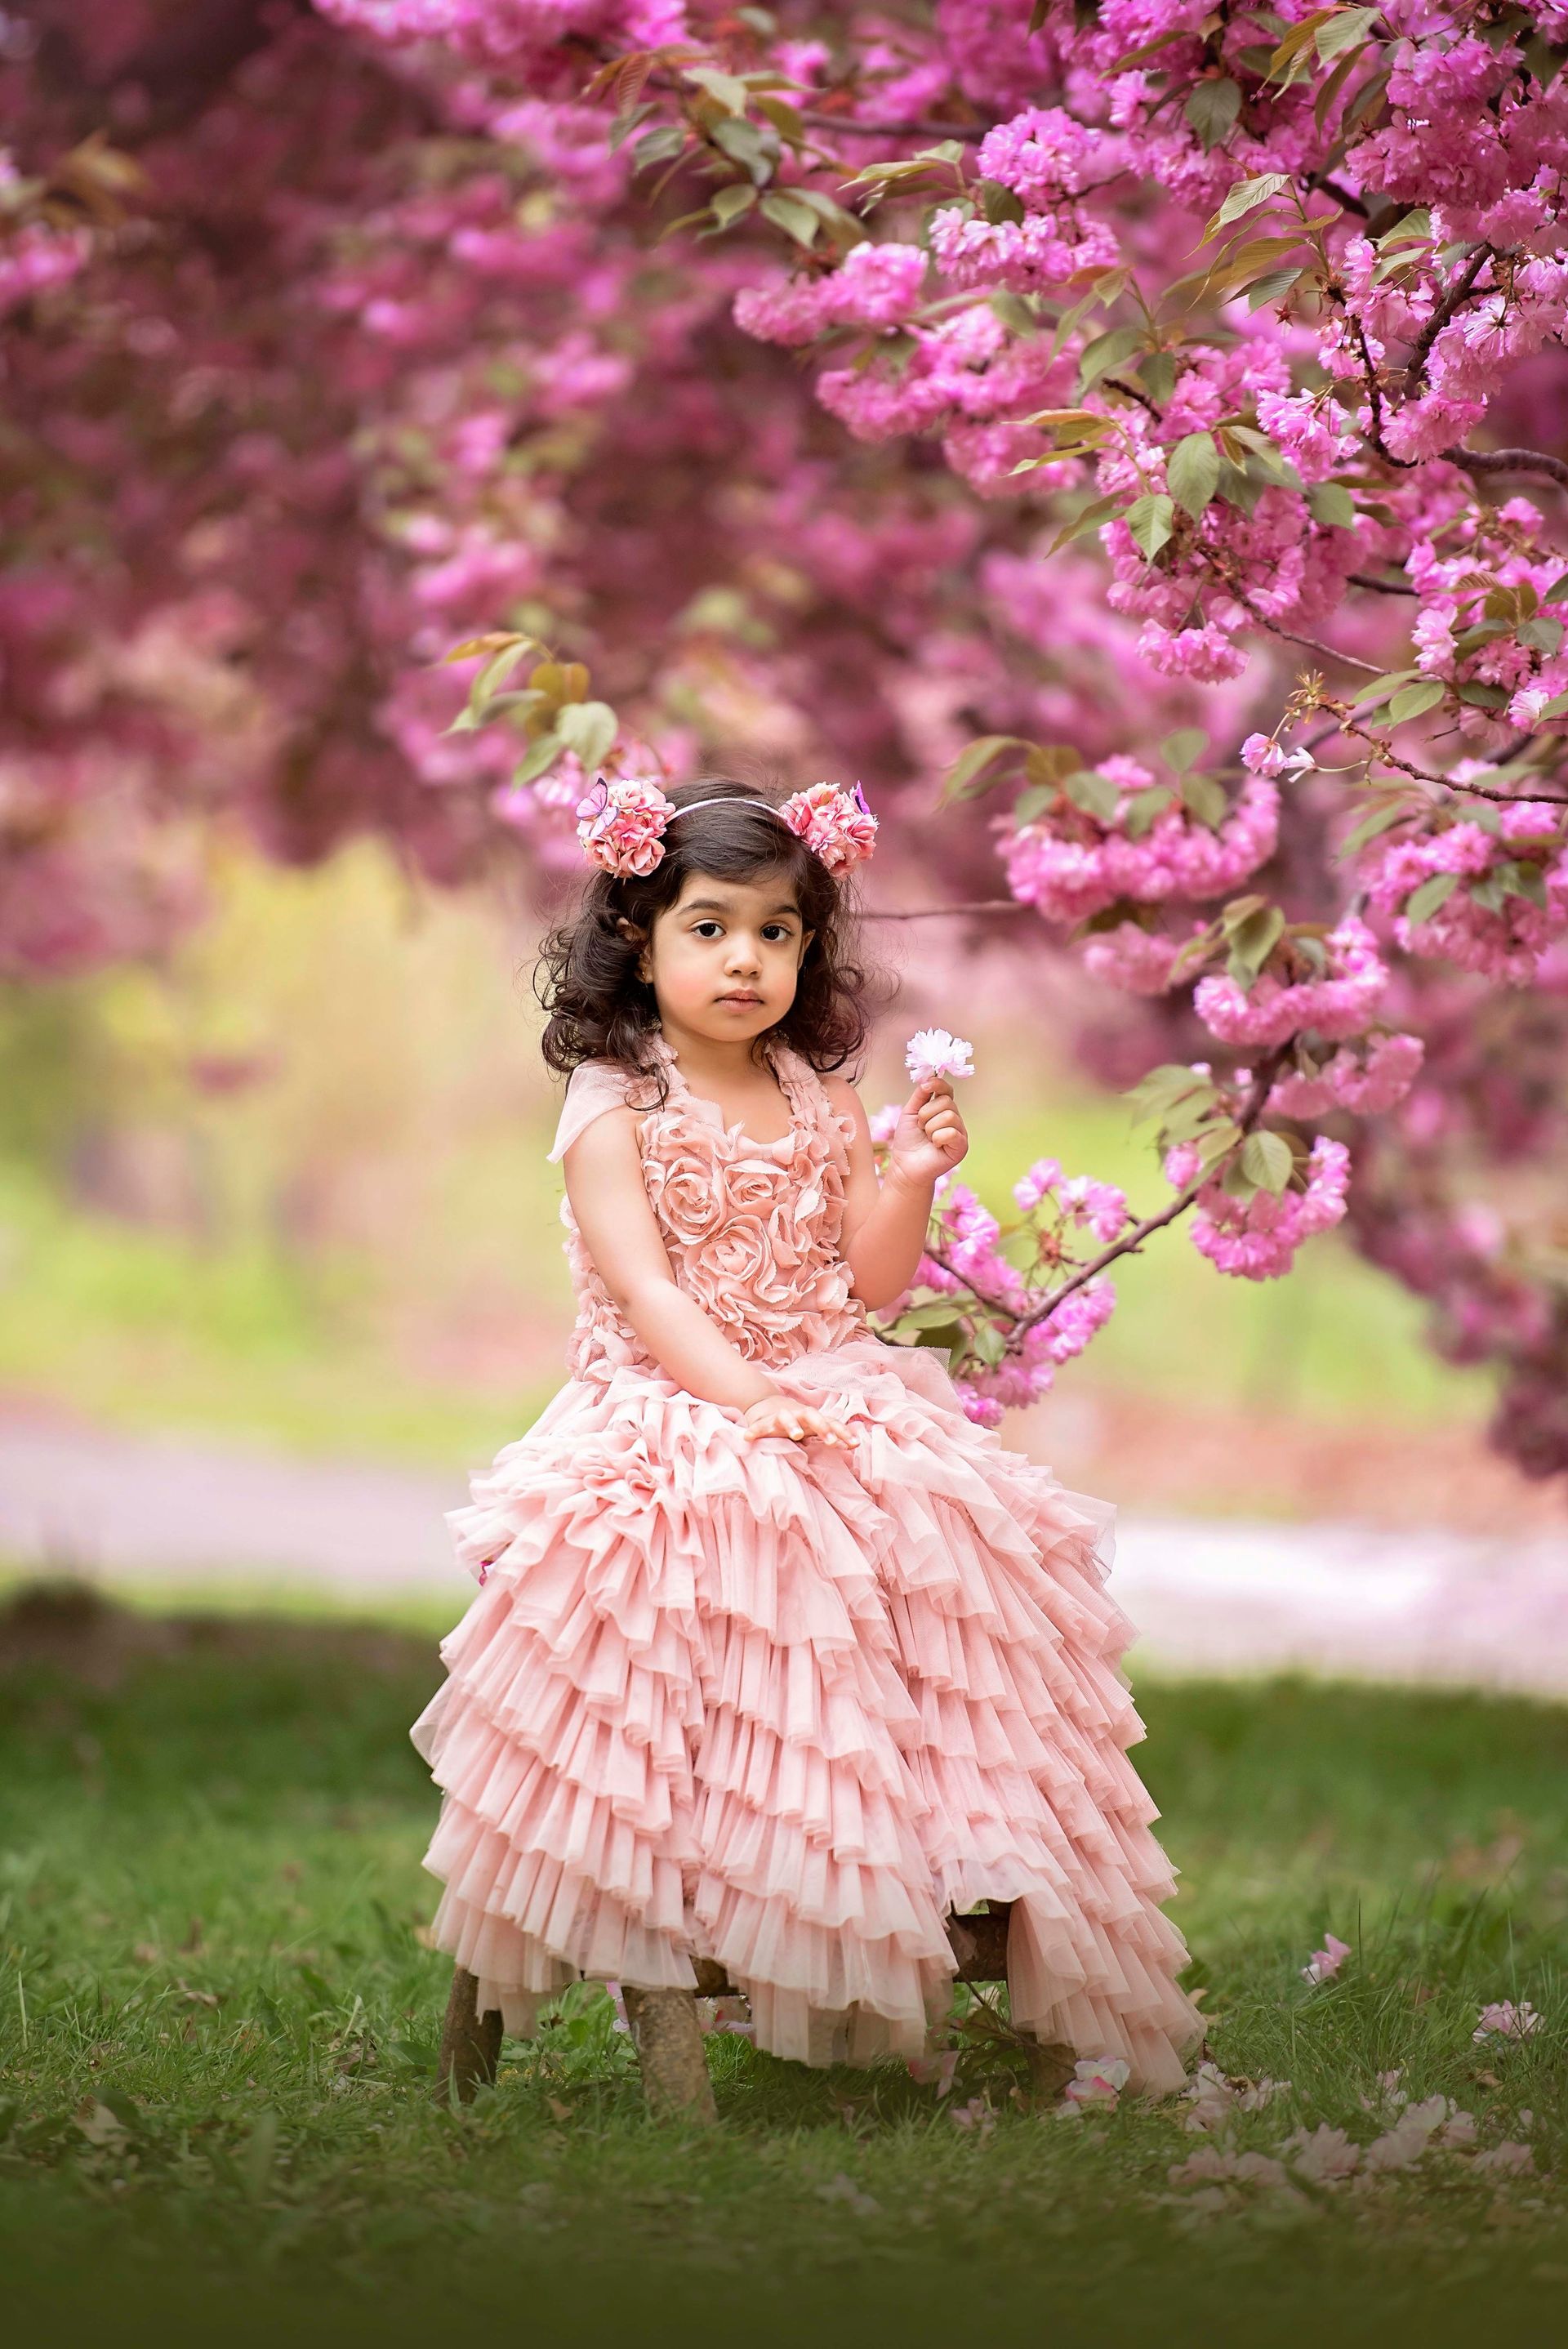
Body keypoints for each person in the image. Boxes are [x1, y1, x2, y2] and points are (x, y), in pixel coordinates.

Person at [411, 772, 1204, 2113]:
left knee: (951, 1539)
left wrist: (908, 1182)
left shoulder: (809, 1090)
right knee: (737, 1533)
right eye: (709, 927)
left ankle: (937, 1863)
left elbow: (870, 1285)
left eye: (778, 933)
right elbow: (654, 1294)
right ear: (637, 941)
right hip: (668, 1398)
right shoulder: (614, 1105)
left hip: (828, 1379)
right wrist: (745, 1399)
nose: (746, 960)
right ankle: (732, 1878)